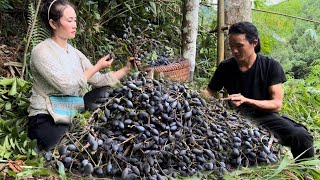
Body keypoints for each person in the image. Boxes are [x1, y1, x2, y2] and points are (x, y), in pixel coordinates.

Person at [28, 0, 137, 151]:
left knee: (106, 92)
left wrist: (126, 69)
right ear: (53, 24)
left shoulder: (75, 53)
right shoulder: (41, 51)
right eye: (69, 20)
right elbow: (65, 86)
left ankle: (80, 126)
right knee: (66, 147)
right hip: (46, 115)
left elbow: (98, 80)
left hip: (71, 108)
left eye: (75, 20)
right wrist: (97, 66)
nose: (75, 25)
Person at [201, 21, 314, 161]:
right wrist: (198, 97)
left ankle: (304, 170)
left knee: (301, 136)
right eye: (231, 46)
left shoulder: (270, 66)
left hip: (264, 116)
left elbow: (276, 104)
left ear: (254, 43)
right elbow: (210, 91)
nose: (234, 51)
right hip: (233, 115)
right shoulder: (225, 67)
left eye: (239, 46)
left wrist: (246, 100)